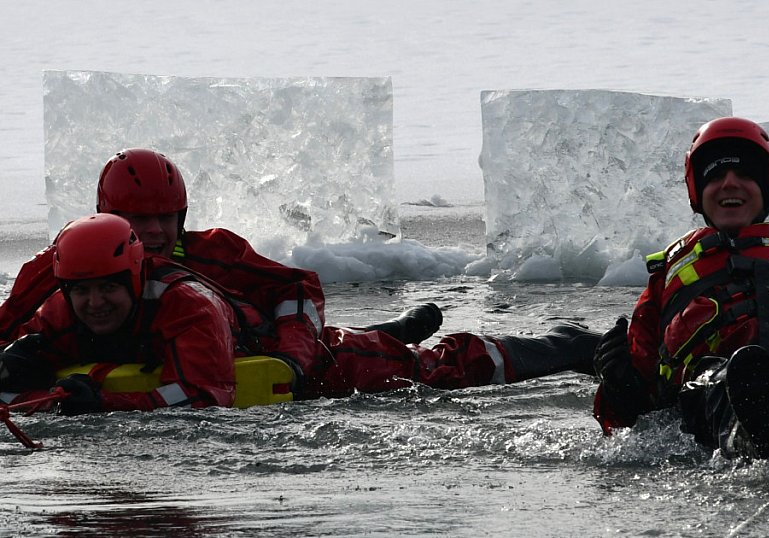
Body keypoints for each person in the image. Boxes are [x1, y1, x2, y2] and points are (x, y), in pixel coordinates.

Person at [0, 149, 601, 401]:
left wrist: (294, 359)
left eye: (164, 219)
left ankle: (566, 344)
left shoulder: (209, 261)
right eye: (138, 220)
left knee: (434, 369)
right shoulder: (79, 261)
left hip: (290, 346)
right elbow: (16, 312)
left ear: (181, 215)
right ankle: (390, 326)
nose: (153, 233)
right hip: (232, 336)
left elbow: (299, 292)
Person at [592, 116, 769, 459]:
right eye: (716, 176)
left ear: (768, 186)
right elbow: (629, 415)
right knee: (722, 379)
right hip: (714, 398)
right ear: (697, 190)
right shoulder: (667, 277)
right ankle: (747, 435)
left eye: (746, 174)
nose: (729, 184)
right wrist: (619, 384)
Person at [0, 214, 240, 414]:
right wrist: (46, 401)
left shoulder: (190, 308)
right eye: (82, 290)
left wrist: (104, 404)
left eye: (108, 287)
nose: (95, 303)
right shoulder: (56, 313)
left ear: (134, 282)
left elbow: (204, 397)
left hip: (241, 345)